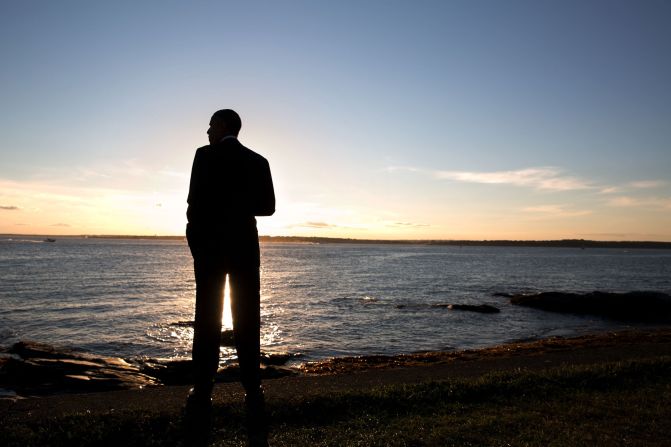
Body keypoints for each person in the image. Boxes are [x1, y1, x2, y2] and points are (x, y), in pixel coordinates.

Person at [185, 109, 275, 446]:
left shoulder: (203, 156)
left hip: (210, 252)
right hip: (244, 251)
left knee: (207, 318)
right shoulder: (258, 161)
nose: (207, 130)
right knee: (247, 319)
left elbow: (193, 204)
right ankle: (253, 388)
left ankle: (202, 389)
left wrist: (196, 243)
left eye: (210, 124)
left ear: (223, 126)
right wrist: (239, 201)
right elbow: (267, 207)